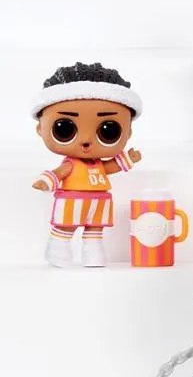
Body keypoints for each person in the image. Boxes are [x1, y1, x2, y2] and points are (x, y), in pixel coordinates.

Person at [31, 61, 143, 268]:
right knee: (65, 228)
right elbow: (59, 172)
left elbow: (109, 167)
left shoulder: (98, 165)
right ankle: (57, 250)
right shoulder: (71, 164)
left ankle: (94, 254)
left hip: (99, 201)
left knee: (95, 230)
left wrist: (129, 159)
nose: (86, 140)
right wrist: (46, 181)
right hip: (72, 200)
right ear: (40, 129)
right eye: (65, 129)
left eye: (108, 131)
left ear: (128, 132)